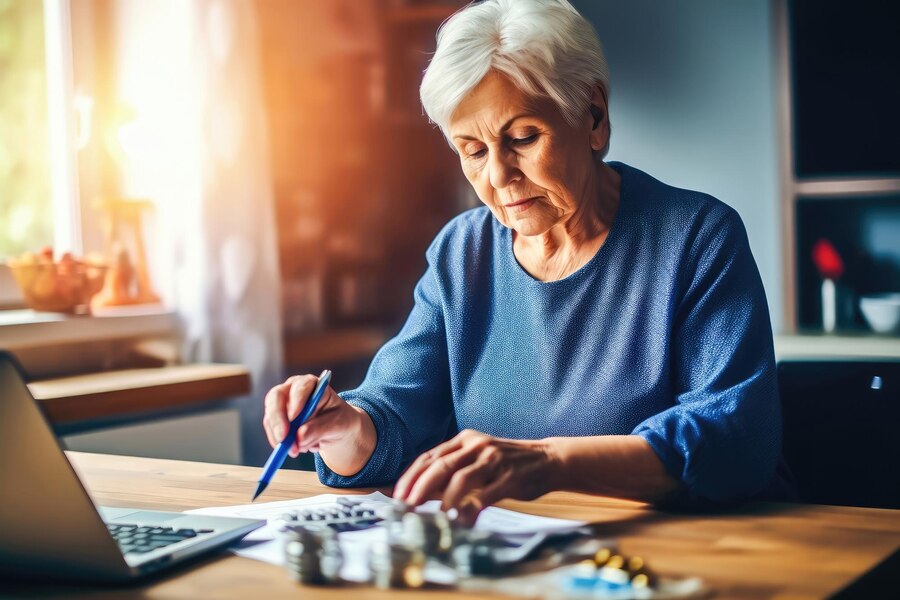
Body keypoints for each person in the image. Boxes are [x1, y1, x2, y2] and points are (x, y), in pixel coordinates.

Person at [263, 0, 793, 523]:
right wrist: (344, 427)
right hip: (520, 558)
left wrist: (549, 463)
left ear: (594, 117)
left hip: (684, 552)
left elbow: (734, 441)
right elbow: (395, 413)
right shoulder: (460, 253)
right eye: (472, 150)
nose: (497, 176)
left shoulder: (697, 237)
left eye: (521, 138)